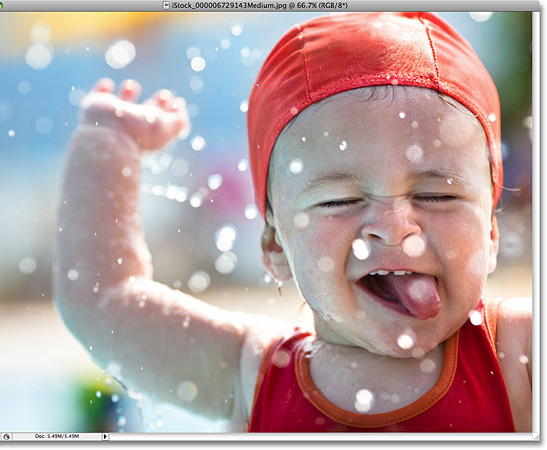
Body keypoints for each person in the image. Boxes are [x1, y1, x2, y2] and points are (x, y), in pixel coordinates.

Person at [54, 12, 532, 432]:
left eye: (436, 194)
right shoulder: (250, 373)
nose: (394, 225)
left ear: (490, 232)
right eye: (339, 201)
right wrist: (105, 147)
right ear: (276, 247)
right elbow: (102, 303)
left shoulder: (519, 353)